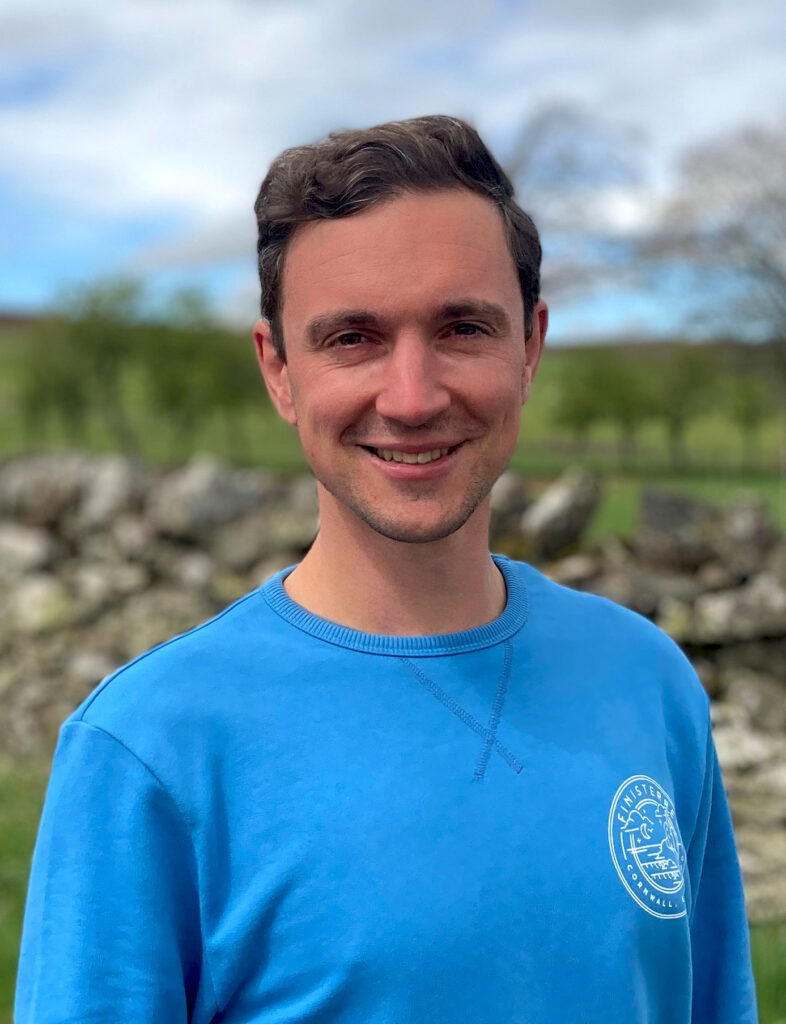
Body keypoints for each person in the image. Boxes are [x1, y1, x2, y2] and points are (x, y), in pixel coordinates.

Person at [15, 115, 757, 1023]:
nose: (412, 398)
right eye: (352, 338)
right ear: (278, 371)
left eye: (462, 327)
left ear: (530, 346)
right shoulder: (148, 750)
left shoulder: (649, 679)